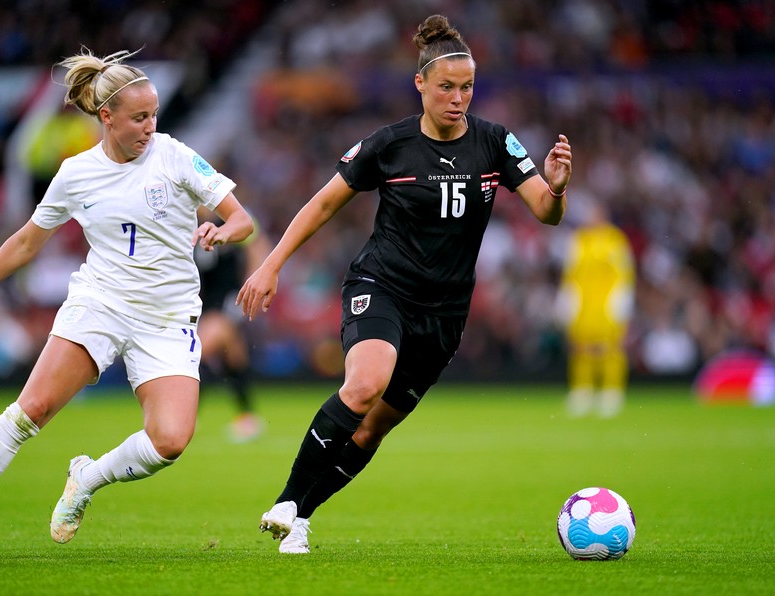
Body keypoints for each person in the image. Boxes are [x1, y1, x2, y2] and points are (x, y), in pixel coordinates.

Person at [236, 14, 572, 554]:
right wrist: (271, 264)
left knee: (370, 432)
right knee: (364, 386)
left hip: (444, 315)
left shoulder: (496, 143)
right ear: (420, 84)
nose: (457, 98)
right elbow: (323, 203)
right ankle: (286, 502)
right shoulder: (389, 146)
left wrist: (555, 190)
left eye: (466, 88)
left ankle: (300, 516)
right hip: (382, 286)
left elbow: (545, 211)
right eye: (446, 87)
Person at [0, 48, 253, 561]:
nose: (150, 126)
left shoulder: (175, 156)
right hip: (101, 303)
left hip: (168, 316)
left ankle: (86, 477)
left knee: (171, 441)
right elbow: (26, 242)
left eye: (154, 114)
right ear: (106, 117)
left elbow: (242, 218)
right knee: (32, 409)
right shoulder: (75, 174)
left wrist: (221, 231)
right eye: (139, 117)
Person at [195, 209, 271, 442]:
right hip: (202, 302)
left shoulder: (232, 220)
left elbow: (259, 247)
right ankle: (247, 417)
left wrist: (253, 283)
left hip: (228, 299)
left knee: (198, 352)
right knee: (232, 356)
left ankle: (186, 415)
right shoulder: (187, 222)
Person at [556, 198, 635, 417]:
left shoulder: (615, 240)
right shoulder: (579, 240)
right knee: (581, 348)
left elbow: (625, 273)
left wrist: (622, 301)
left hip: (608, 304)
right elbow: (570, 272)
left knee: (610, 348)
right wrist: (566, 300)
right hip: (583, 304)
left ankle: (611, 392)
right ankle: (582, 391)